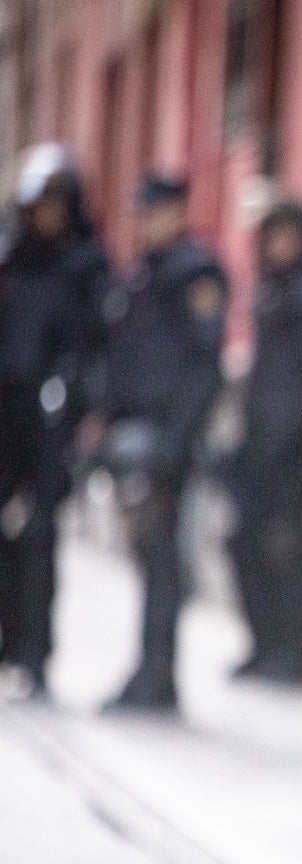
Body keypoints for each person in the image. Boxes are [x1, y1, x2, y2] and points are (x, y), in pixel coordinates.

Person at [100, 175, 228, 713]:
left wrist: (178, 436)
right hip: (135, 437)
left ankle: (157, 675)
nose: (149, 224)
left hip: (168, 441)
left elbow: (204, 367)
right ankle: (151, 671)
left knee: (162, 560)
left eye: (157, 213)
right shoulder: (143, 275)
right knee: (147, 557)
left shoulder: (195, 272)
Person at [0, 144, 111, 701]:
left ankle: (35, 654)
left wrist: (83, 406)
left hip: (53, 416)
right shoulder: (10, 259)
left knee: (41, 534)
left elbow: (99, 346)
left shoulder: (87, 267)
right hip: (6, 413)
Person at [225, 201, 302, 688]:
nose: (280, 246)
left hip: (293, 450)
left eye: (289, 236)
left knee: (287, 550)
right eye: (274, 236)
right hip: (257, 447)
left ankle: (294, 654)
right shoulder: (268, 291)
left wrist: (290, 432)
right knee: (245, 544)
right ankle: (263, 645)